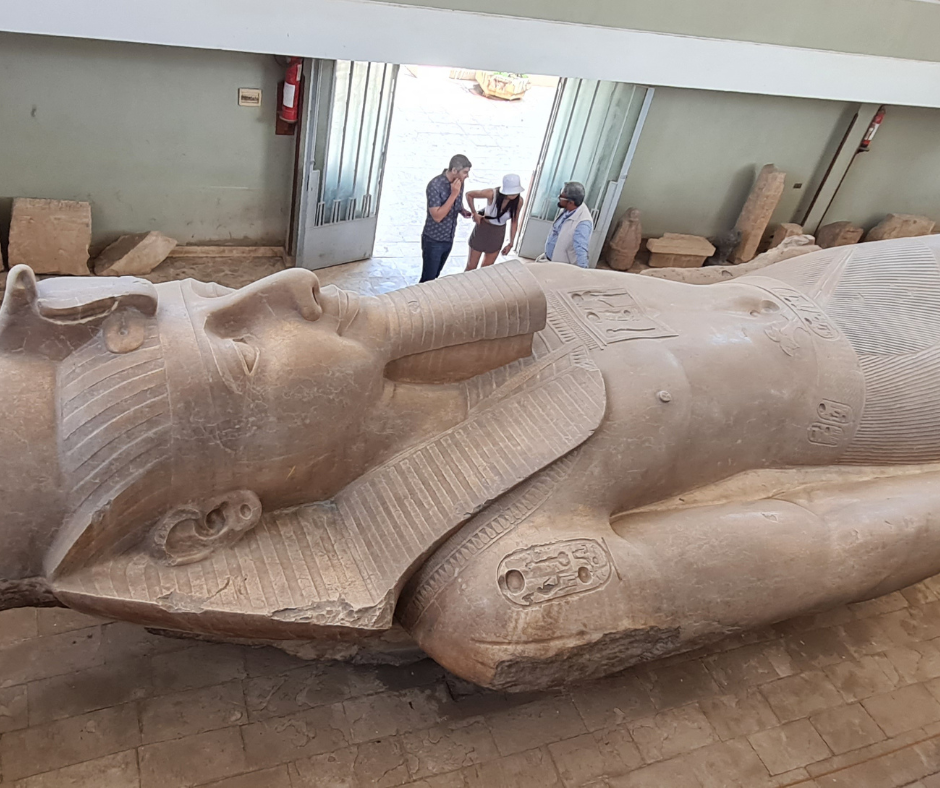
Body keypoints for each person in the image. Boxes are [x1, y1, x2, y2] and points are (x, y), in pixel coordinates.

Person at [420, 154, 472, 283]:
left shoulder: (459, 182)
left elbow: (455, 203)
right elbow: (437, 216)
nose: (467, 176)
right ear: (454, 170)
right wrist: (454, 194)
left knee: (436, 275)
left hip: (448, 237)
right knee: (428, 278)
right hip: (433, 240)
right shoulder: (435, 185)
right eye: (465, 172)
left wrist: (461, 210)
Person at [465, 174, 525, 271]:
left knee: (486, 269)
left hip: (498, 232)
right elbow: (469, 194)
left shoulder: (519, 201)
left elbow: (514, 222)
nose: (514, 195)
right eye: (511, 192)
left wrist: (511, 243)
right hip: (483, 228)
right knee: (471, 266)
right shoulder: (492, 193)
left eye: (516, 192)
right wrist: (474, 213)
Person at [543, 181, 593, 268]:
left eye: (561, 197)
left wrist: (583, 273)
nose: (559, 197)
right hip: (549, 260)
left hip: (561, 267)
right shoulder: (569, 210)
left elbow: (581, 249)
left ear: (571, 202)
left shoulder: (583, 223)